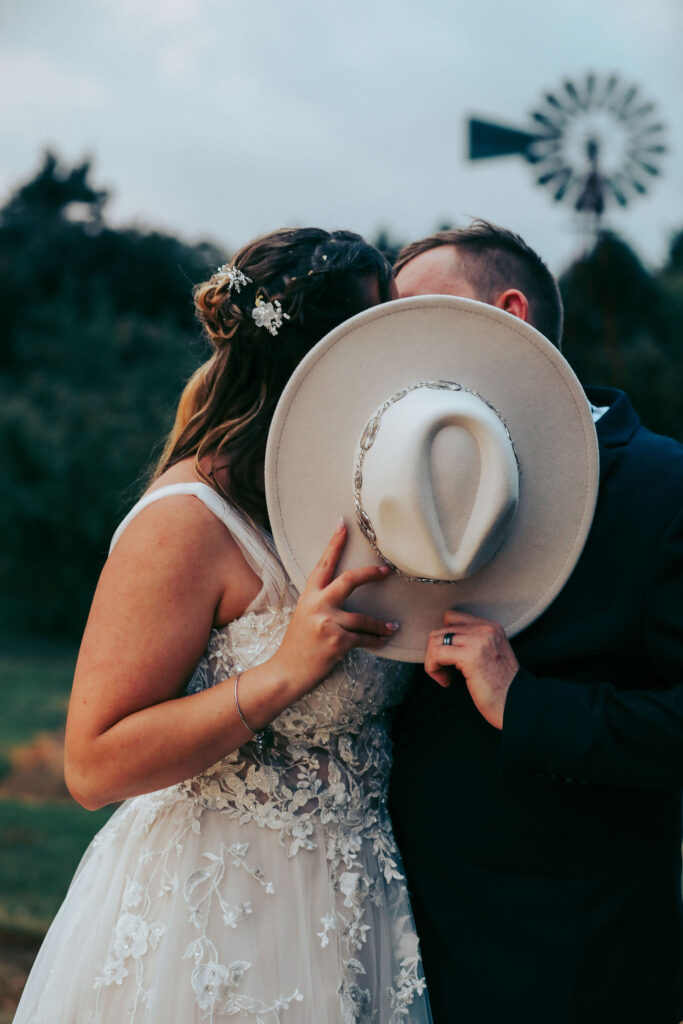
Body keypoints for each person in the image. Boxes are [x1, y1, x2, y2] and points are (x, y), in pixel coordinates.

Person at [14, 227, 432, 1024]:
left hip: (359, 918)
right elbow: (93, 764)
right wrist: (282, 672)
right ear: (318, 360)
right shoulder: (187, 520)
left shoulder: (360, 508)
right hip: (213, 920)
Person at [388, 220, 683, 1024]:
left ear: (507, 312)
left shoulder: (664, 485)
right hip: (381, 930)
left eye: (414, 310)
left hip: (568, 956)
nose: (389, 342)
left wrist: (526, 704)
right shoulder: (390, 475)